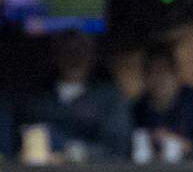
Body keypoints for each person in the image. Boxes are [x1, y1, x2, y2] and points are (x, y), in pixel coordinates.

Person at [23, 31, 131, 160]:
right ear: (55, 55)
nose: (74, 58)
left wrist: (72, 152)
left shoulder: (110, 98)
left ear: (92, 55)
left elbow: (117, 149)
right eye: (67, 51)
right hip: (43, 171)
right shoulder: (38, 99)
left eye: (80, 51)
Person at [133, 46, 193, 157]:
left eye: (163, 71)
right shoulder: (138, 109)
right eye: (151, 72)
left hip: (192, 166)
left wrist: (181, 144)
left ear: (176, 74)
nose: (158, 78)